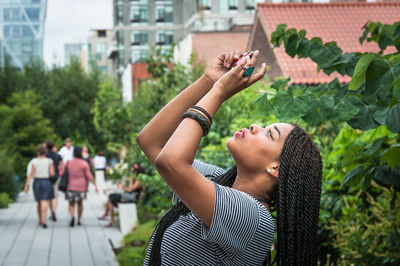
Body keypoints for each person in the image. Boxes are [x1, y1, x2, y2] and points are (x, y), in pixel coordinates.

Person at [137, 50, 323, 265]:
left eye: (269, 134)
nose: (255, 126)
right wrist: (210, 81)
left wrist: (220, 92)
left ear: (276, 169)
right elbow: (152, 142)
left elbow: (171, 162)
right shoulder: (217, 180)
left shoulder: (253, 218)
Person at [62, 146, 99, 227]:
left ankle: (72, 216)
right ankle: (79, 220)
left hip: (70, 186)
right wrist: (95, 185)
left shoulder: (68, 162)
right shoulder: (84, 163)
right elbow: (89, 175)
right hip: (82, 187)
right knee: (80, 203)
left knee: (71, 203)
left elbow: (62, 173)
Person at [24, 145, 55, 228]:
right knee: (44, 201)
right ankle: (44, 220)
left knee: (38, 202)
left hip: (37, 182)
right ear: (45, 152)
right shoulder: (49, 161)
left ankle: (40, 219)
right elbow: (52, 174)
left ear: (37, 152)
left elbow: (31, 174)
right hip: (46, 181)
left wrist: (26, 185)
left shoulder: (34, 161)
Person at [45, 141, 63, 222]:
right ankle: (54, 210)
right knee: (55, 195)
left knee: (49, 196)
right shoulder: (57, 155)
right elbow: (61, 165)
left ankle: (51, 210)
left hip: (46, 177)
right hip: (56, 176)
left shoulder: (45, 155)